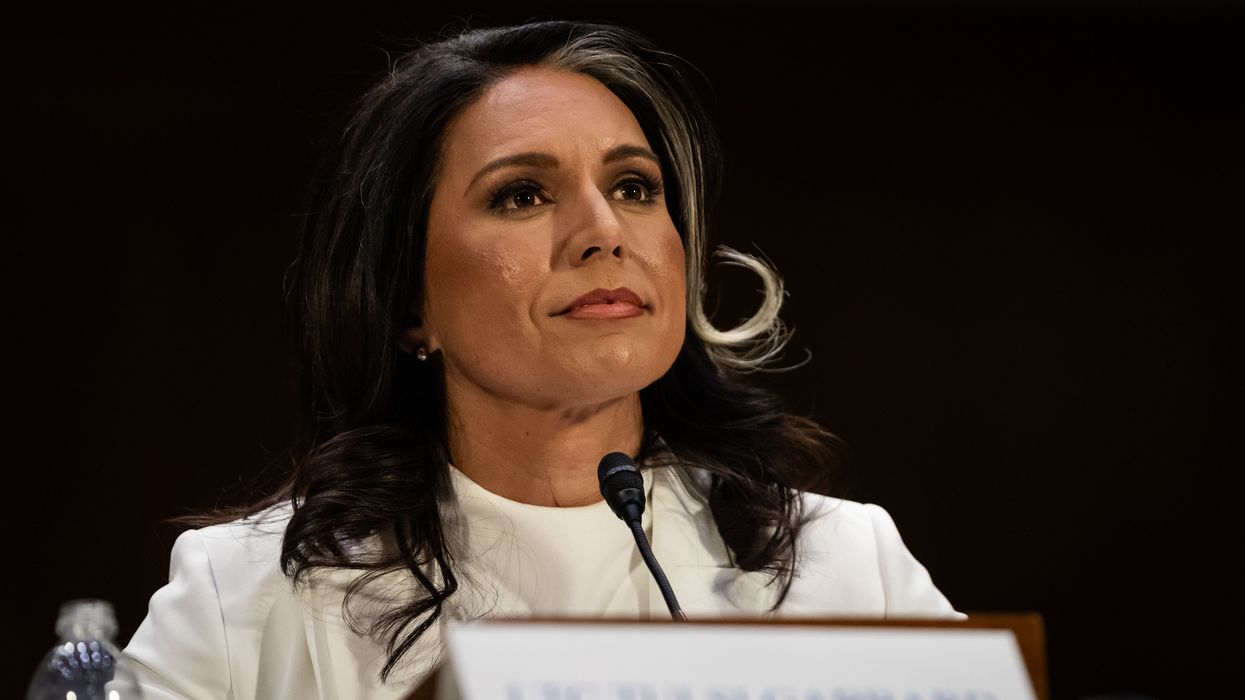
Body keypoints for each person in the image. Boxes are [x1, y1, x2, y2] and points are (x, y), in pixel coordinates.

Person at [122, 20, 960, 699]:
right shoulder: (249, 596)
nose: (604, 230)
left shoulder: (843, 566)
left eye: (635, 187)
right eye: (522, 195)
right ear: (408, 303)